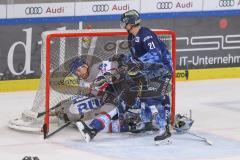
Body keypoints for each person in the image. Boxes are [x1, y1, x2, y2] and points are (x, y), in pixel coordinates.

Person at [119, 9, 173, 142]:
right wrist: (125, 59)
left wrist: (135, 63)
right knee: (143, 96)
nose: (123, 25)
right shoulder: (131, 36)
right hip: (148, 71)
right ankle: (147, 123)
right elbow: (135, 55)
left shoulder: (146, 35)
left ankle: (164, 129)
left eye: (125, 22)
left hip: (162, 69)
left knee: (152, 98)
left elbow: (155, 55)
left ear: (131, 23)